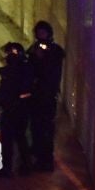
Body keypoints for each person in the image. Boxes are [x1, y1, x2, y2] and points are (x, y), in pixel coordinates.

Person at [27, 20, 65, 172]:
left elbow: (53, 70)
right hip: (35, 95)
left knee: (47, 128)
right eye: (39, 32)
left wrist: (43, 57)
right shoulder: (33, 49)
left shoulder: (55, 50)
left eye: (44, 32)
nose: (41, 35)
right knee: (36, 126)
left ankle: (46, 159)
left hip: (48, 95)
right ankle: (37, 153)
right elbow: (29, 68)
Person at [0, 42, 34, 177]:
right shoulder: (22, 68)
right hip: (16, 107)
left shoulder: (19, 69)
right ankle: (22, 165)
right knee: (17, 137)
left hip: (15, 108)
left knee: (12, 137)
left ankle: (11, 167)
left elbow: (9, 89)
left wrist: (1, 102)